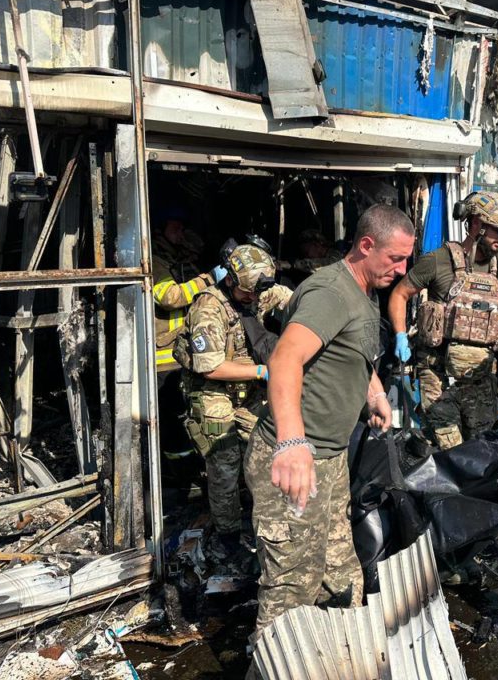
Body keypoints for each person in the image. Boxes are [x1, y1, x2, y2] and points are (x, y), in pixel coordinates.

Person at [244, 204, 415, 640]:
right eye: (395, 258)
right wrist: (291, 443)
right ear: (365, 245)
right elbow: (285, 358)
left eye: (406, 259)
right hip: (296, 460)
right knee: (292, 590)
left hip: (330, 460)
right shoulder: (331, 293)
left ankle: (339, 658)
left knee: (342, 576)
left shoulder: (362, 292)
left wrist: (373, 391)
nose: (402, 269)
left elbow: (353, 354)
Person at [387, 191, 498, 449]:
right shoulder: (439, 261)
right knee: (446, 451)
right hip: (438, 378)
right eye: (497, 229)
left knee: (481, 451)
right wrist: (400, 335)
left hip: (481, 383)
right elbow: (399, 294)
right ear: (475, 224)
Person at [175, 239, 293, 548]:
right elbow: (209, 367)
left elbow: (293, 301)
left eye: (257, 294)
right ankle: (227, 535)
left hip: (249, 392)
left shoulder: (258, 291)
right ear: (230, 280)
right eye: (247, 293)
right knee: (225, 465)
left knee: (270, 448)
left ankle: (270, 523)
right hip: (214, 391)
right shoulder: (209, 307)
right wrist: (262, 372)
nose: (253, 299)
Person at [152, 212, 223, 479]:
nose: (181, 231)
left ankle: (191, 471)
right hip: (163, 358)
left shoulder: (178, 259)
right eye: (176, 225)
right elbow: (170, 297)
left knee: (189, 417)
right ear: (160, 229)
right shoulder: (155, 262)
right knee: (172, 420)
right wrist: (207, 279)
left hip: (183, 354)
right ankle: (178, 477)